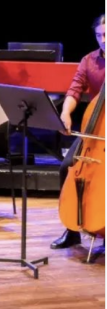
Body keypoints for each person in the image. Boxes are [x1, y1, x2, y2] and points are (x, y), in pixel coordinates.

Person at [51, 13, 105, 256]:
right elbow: (74, 90)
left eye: (106, 35)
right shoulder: (89, 60)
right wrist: (66, 112)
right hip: (95, 132)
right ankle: (72, 229)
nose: (103, 40)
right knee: (66, 167)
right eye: (98, 36)